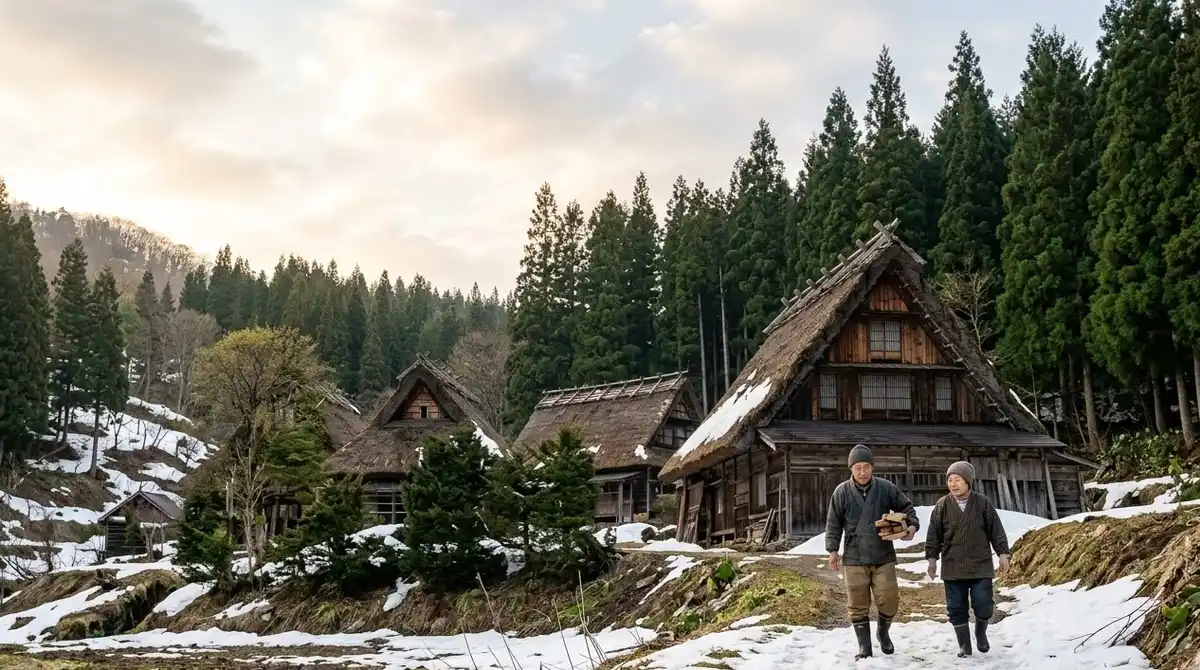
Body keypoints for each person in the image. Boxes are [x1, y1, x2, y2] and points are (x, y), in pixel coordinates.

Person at [825, 444, 919, 660]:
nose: (862, 472)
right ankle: (864, 648)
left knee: (889, 598)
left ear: (872, 467)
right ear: (851, 469)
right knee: (857, 603)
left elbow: (908, 509)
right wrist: (832, 550)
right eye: (858, 467)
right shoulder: (841, 492)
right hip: (854, 555)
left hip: (882, 553)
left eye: (866, 467)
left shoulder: (886, 488)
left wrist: (910, 528)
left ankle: (883, 632)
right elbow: (833, 524)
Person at [924, 461, 1011, 658]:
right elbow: (933, 535)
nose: (953, 484)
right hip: (953, 565)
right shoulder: (942, 506)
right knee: (956, 607)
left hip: (980, 563)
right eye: (950, 480)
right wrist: (931, 559)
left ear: (968, 482)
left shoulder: (982, 503)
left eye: (958, 480)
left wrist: (1003, 553)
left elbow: (996, 530)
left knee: (984, 604)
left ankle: (981, 634)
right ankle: (964, 645)